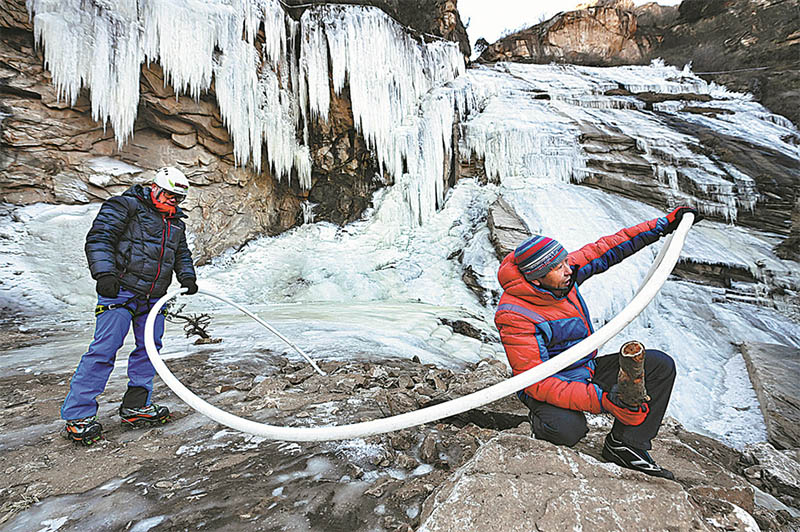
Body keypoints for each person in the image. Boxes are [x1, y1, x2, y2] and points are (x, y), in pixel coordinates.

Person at [494, 207, 700, 480]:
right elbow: (536, 382)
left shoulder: (561, 278)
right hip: (548, 383)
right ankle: (539, 423)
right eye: (558, 268)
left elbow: (607, 248)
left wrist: (664, 224)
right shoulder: (514, 315)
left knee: (659, 366)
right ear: (536, 278)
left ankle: (626, 445)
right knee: (566, 430)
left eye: (566, 261)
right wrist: (603, 401)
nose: (569, 270)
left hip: (585, 367)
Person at [61, 167, 199, 445]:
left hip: (155, 297)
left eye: (179, 199)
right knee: (104, 350)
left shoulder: (176, 222)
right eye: (170, 196)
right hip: (120, 292)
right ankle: (78, 415)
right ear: (155, 187)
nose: (174, 202)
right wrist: (104, 274)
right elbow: (100, 238)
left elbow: (181, 253)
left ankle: (137, 405)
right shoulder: (124, 205)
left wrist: (187, 276)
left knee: (149, 351)